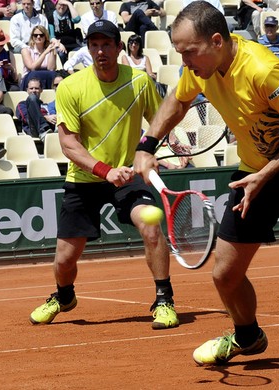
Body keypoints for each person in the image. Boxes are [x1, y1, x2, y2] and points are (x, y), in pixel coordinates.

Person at [133, 4, 279, 390]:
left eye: (189, 51)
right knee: (225, 274)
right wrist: (147, 143)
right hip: (254, 170)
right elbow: (178, 99)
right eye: (179, 52)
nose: (184, 60)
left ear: (217, 41)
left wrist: (266, 174)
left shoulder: (262, 69)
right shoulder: (198, 70)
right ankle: (247, 335)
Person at [29, 20, 179, 331]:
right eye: (94, 45)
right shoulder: (71, 87)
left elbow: (158, 121)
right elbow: (68, 144)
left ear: (119, 48)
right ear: (88, 49)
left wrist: (164, 145)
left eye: (107, 44)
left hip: (129, 174)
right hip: (85, 179)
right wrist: (104, 171)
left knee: (151, 227)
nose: (100, 51)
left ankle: (164, 300)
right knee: (64, 261)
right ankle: (64, 296)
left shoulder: (139, 82)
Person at [16, 77, 55, 141]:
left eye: (36, 88)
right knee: (32, 98)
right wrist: (46, 118)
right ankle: (43, 129)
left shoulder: (45, 105)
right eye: (31, 88)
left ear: (41, 90)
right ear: (27, 90)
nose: (33, 90)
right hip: (34, 130)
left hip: (50, 129)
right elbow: (26, 118)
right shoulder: (22, 104)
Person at [21, 25, 57, 90]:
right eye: (35, 35)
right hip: (30, 77)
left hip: (46, 77)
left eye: (41, 35)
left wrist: (51, 50)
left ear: (45, 37)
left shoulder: (49, 49)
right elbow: (32, 67)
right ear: (32, 37)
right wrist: (45, 53)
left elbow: (51, 68)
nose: (38, 37)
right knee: (34, 74)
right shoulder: (26, 50)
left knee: (53, 74)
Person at [49, 0, 83, 64]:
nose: (62, 7)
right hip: (59, 45)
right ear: (55, 5)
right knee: (61, 54)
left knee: (80, 52)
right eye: (60, 4)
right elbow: (52, 36)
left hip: (73, 44)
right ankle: (64, 71)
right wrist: (59, 45)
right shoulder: (51, 18)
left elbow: (77, 19)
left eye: (64, 5)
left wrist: (69, 3)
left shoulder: (70, 15)